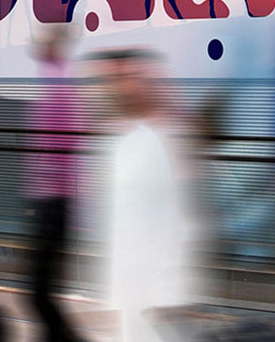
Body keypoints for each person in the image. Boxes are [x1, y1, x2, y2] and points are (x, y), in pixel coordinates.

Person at [103, 49, 190, 342]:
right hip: (133, 271)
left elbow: (173, 214)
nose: (123, 85)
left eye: (133, 77)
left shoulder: (162, 137)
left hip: (154, 273)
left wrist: (166, 285)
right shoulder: (126, 138)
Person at [26, 27, 86, 342]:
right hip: (50, 198)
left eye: (42, 39)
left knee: (38, 292)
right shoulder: (52, 78)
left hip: (54, 199)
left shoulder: (60, 82)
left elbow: (64, 145)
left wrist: (49, 187)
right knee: (41, 291)